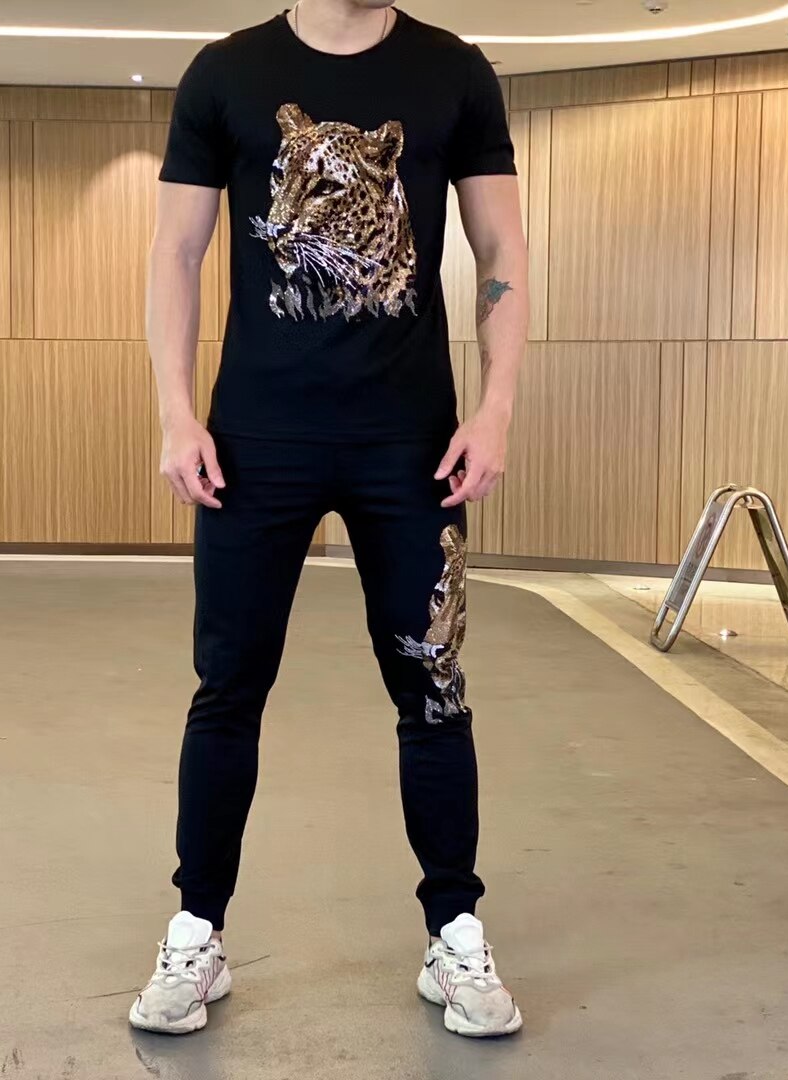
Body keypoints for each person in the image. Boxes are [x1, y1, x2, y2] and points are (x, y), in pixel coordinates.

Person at [131, 0, 528, 1038]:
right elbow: (176, 251)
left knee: (433, 690)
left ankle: (455, 932)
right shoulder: (225, 73)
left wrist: (495, 409)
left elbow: (500, 248)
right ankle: (196, 930)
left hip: (411, 442)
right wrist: (176, 414)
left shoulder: (454, 72)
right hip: (256, 440)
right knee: (227, 688)